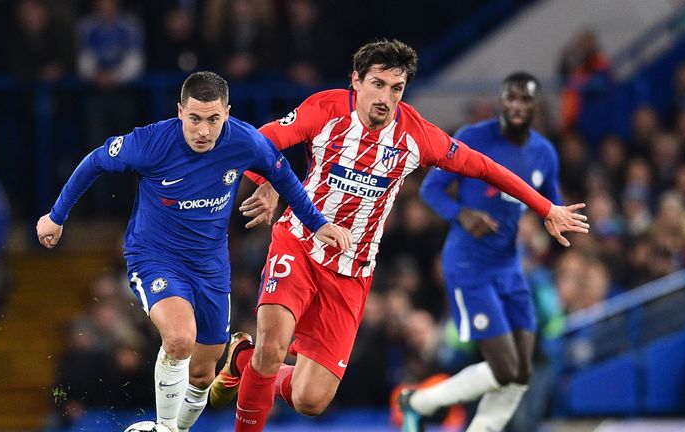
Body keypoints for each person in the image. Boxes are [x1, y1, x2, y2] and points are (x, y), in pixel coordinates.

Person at [208, 39, 589, 432]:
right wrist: (268, 181)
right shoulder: (324, 110)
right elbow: (257, 143)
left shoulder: (417, 136)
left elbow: (484, 167)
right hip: (300, 243)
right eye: (377, 84)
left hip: (351, 270)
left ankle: (242, 359)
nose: (385, 98)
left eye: (396, 88)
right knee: (272, 350)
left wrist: (546, 207)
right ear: (355, 81)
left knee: (310, 399)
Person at [35, 71, 352, 432]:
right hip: (155, 257)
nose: (203, 130)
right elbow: (95, 162)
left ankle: (177, 428)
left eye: (213, 119)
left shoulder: (245, 142)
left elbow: (284, 177)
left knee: (203, 374)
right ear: (180, 112)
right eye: (195, 118)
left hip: (211, 267)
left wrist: (319, 224)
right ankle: (165, 428)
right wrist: (56, 216)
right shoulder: (151, 142)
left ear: (227, 114)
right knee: (180, 338)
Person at [398, 72, 562, 432]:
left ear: (536, 106)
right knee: (504, 367)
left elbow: (553, 207)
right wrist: (462, 213)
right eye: (511, 98)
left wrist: (546, 229)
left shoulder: (543, 154)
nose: (517, 106)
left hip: (510, 266)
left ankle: (435, 409)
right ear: (501, 102)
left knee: (519, 372)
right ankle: (418, 401)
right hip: (469, 264)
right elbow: (431, 190)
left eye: (526, 99)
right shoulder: (472, 139)